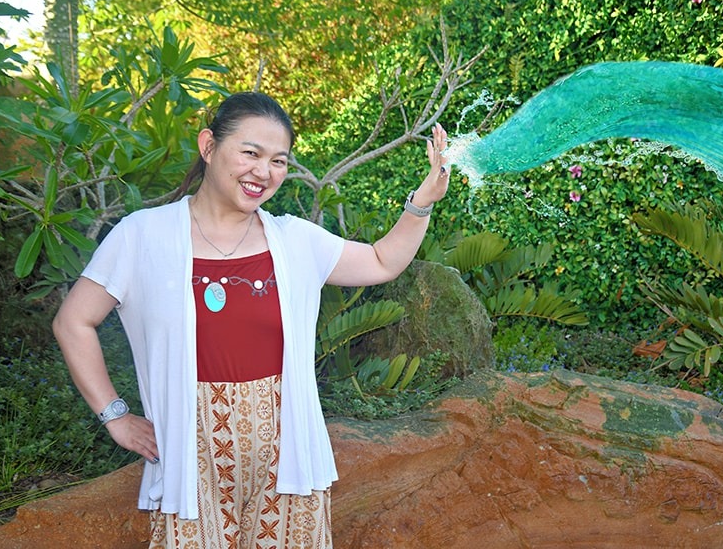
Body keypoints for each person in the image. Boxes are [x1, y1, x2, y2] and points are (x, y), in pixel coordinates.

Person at [52, 91, 450, 548]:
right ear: (208, 146)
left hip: (287, 461)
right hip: (191, 462)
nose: (264, 172)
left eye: (278, 161)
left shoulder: (294, 240)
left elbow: (382, 261)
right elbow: (73, 322)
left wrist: (423, 200)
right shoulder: (143, 236)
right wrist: (116, 416)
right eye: (250, 153)